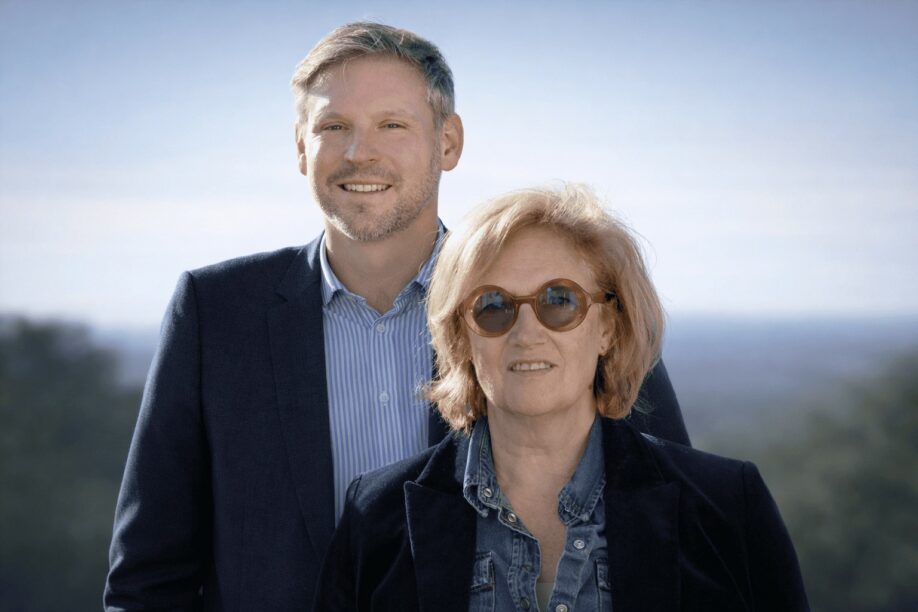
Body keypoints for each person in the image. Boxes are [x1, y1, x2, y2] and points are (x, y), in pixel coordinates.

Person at [104, 23, 690, 611]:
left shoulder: (555, 306)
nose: (360, 152)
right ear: (301, 147)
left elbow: (673, 532)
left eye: (392, 125)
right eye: (334, 126)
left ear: (448, 142)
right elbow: (148, 580)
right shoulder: (215, 314)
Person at [315, 184, 809, 611]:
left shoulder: (726, 506)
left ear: (607, 328)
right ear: (462, 338)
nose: (526, 333)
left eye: (559, 301)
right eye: (493, 306)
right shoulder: (376, 517)